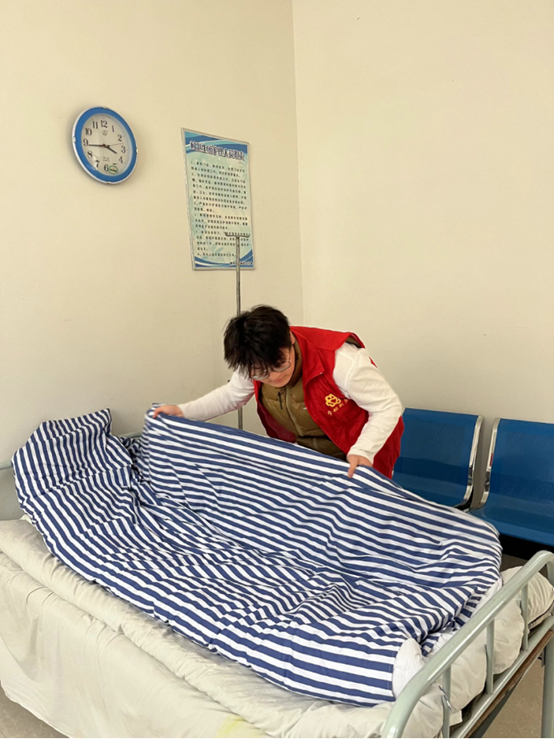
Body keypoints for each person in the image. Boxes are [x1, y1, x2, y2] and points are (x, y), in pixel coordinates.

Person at [153, 305, 404, 479]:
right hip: (309, 454)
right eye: (262, 374)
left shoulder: (342, 362)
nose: (274, 377)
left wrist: (364, 450)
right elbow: (231, 396)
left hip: (362, 450)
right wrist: (183, 412)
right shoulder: (253, 362)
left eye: (280, 364)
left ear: (290, 340)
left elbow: (387, 407)